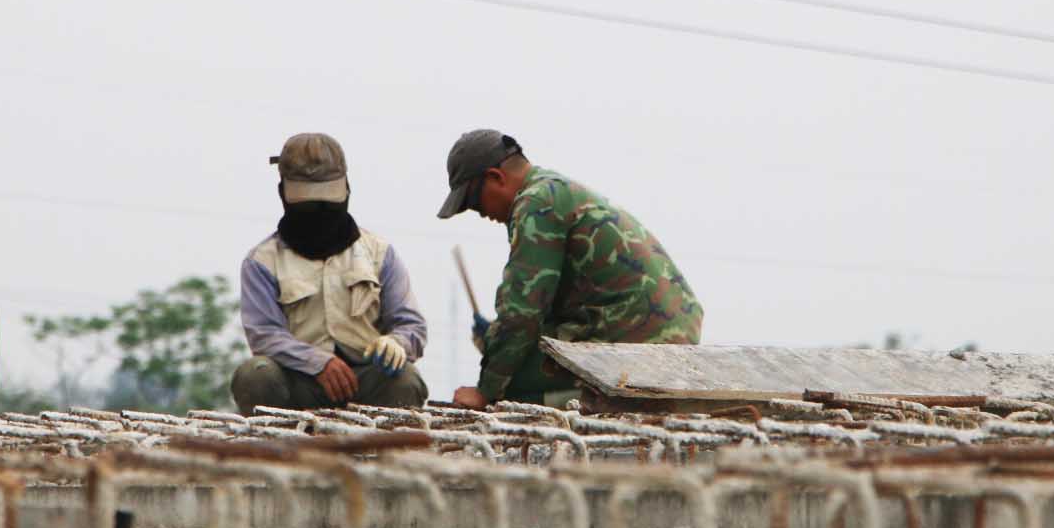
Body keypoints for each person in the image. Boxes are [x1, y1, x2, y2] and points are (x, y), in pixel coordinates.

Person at [436, 129, 702, 410]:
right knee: (511, 353)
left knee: (512, 379)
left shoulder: (535, 204)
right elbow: (543, 311)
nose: (482, 214)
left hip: (639, 339)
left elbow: (522, 314)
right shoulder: (556, 191)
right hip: (668, 329)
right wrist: (494, 337)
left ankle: (582, 411)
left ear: (496, 178)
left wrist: (485, 391)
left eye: (476, 203)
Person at [231, 133, 430, 415]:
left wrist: (397, 343)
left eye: (327, 203)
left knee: (405, 378)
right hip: (298, 383)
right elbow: (265, 335)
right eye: (309, 206)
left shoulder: (379, 253)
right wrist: (318, 363)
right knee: (254, 375)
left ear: (346, 191)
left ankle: (388, 454)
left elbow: (412, 326)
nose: (319, 215)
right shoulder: (261, 262)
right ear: (284, 196)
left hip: (365, 382)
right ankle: (275, 449)